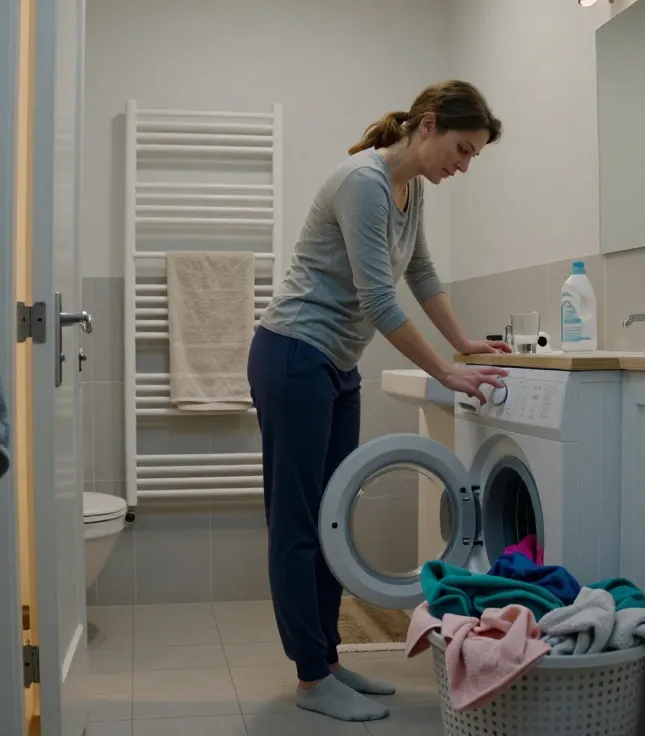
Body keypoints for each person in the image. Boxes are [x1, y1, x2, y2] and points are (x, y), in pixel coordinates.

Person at [247, 80, 510, 723]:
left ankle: (329, 662)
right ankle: (312, 678)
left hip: (335, 365)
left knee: (334, 517)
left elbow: (420, 276)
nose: (465, 163)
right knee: (299, 521)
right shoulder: (363, 182)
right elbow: (378, 301)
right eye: (462, 147)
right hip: (293, 355)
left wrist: (462, 341)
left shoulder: (409, 188)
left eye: (473, 154)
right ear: (427, 125)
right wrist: (447, 371)